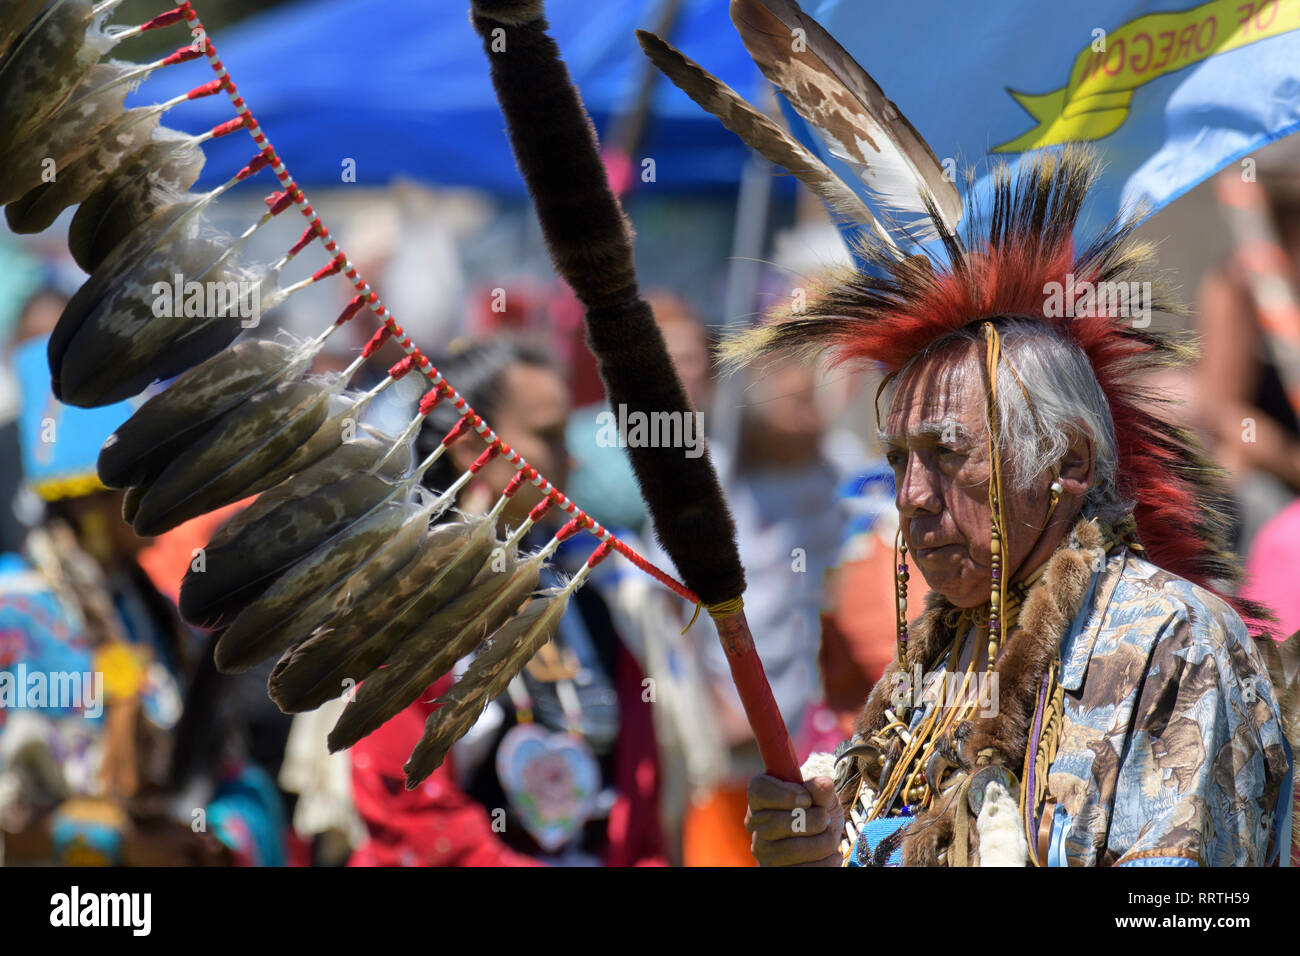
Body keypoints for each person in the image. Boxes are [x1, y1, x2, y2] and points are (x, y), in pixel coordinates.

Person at [734, 147, 1293, 867]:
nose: (910, 496)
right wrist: (813, 854)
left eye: (947, 453)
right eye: (898, 460)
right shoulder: (934, 661)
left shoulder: (1173, 637)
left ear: (1069, 462)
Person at [346, 337, 664, 866]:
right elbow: (409, 809)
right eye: (548, 437)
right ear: (472, 447)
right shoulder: (408, 602)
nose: (572, 460)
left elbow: (638, 799)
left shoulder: (590, 598)